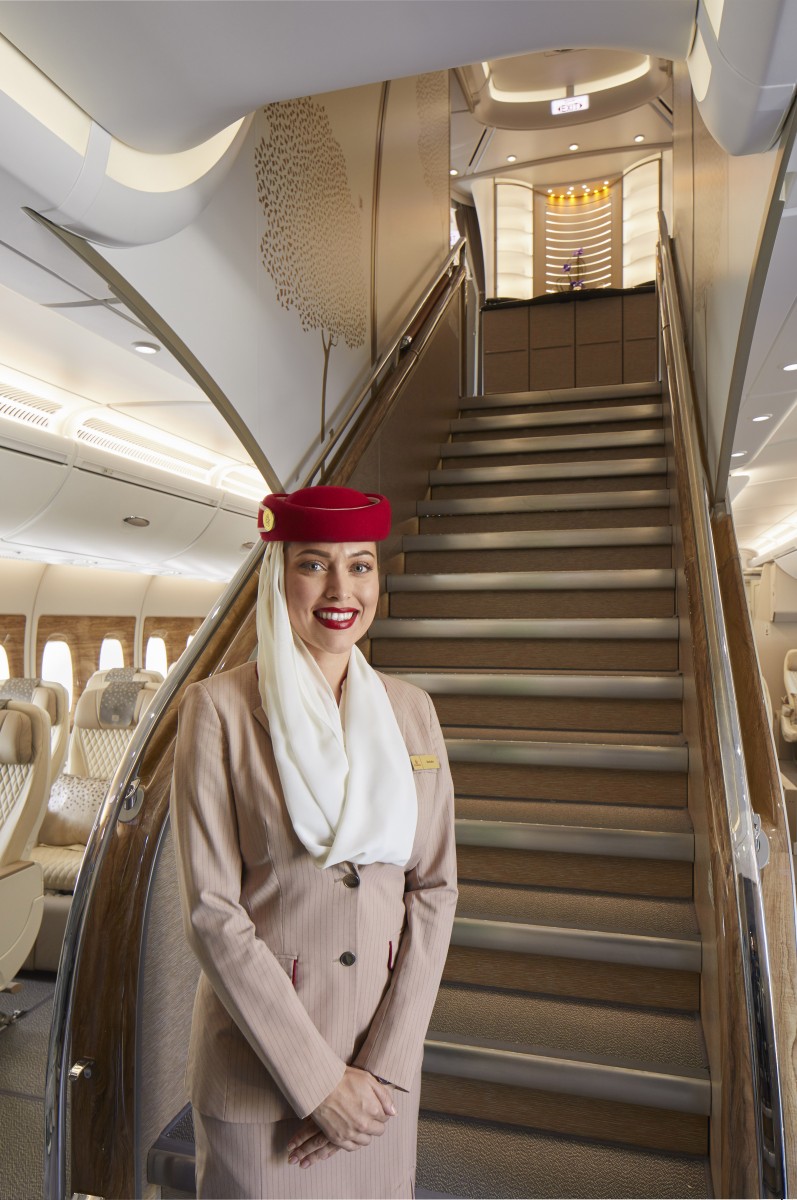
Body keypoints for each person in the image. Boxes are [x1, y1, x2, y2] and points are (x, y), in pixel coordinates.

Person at [171, 484, 458, 1199]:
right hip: (261, 1073)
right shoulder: (219, 711)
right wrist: (319, 1081)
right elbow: (211, 912)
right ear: (278, 574)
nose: (340, 590)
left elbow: (434, 888)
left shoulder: (413, 713)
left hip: (378, 1081)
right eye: (313, 564)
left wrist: (381, 1067)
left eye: (360, 565)